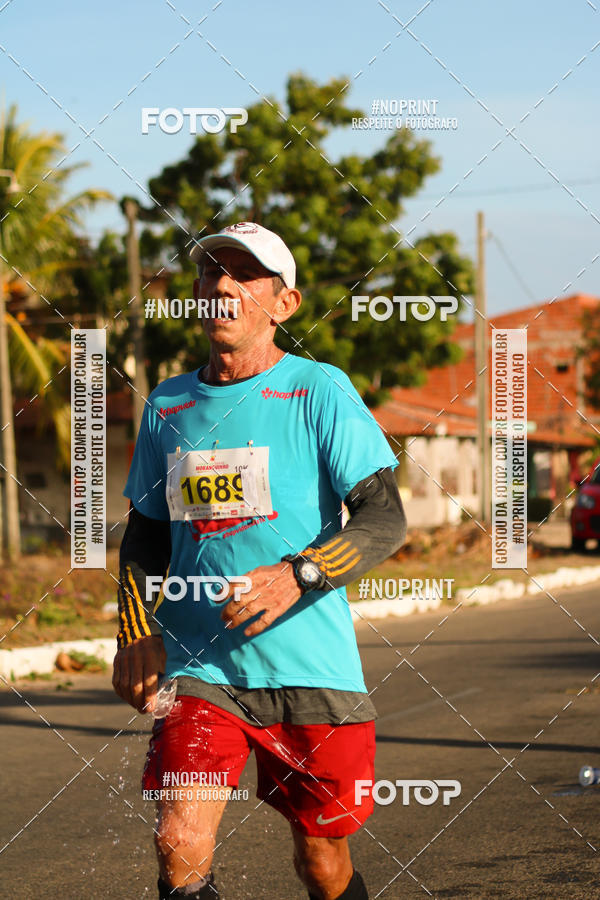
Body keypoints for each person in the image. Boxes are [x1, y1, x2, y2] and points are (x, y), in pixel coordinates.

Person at [112, 222, 407, 900]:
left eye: (244, 275)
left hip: (309, 667)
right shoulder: (168, 404)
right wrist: (135, 629)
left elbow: (385, 518)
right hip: (201, 667)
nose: (222, 285)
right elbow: (146, 536)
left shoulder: (318, 391)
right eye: (211, 272)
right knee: (178, 840)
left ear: (284, 304)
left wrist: (298, 574)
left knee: (322, 860)